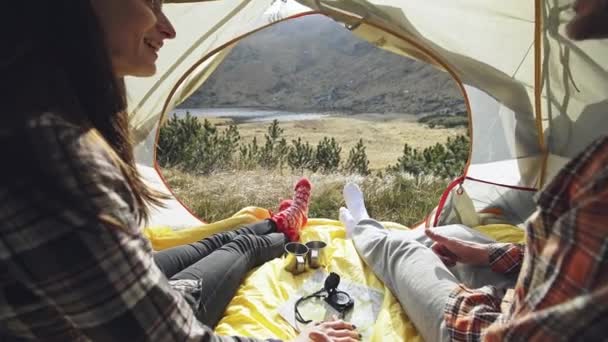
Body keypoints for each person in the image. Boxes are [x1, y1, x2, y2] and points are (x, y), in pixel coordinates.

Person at [0, 1, 359, 341]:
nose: (168, 29)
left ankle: (281, 224)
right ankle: (283, 227)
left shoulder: (29, 114)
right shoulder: (50, 152)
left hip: (74, 299)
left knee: (214, 241)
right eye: (151, 3)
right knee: (244, 246)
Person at [339, 2, 608, 341]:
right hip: (532, 299)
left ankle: (364, 230)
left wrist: (462, 306)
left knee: (402, 251)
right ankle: (390, 245)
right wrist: (492, 254)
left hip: (496, 329)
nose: (570, 3)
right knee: (455, 235)